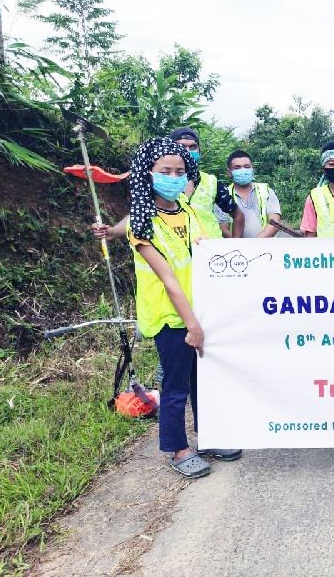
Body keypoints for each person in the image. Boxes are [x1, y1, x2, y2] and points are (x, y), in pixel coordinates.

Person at [127, 137, 241, 478]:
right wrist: (191, 325)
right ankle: (178, 448)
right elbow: (168, 279)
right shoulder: (141, 223)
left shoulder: (187, 212)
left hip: (198, 311)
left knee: (202, 381)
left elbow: (207, 256)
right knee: (176, 386)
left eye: (180, 172)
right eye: (165, 171)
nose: (174, 177)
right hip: (171, 317)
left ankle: (209, 437)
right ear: (147, 173)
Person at [91, 126, 244, 240]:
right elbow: (140, 213)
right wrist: (114, 231)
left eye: (193, 147)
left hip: (209, 259)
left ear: (199, 150)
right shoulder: (159, 184)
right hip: (174, 254)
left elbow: (237, 214)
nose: (187, 151)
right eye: (181, 146)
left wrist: (236, 246)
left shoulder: (211, 183)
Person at [214, 150, 281, 238]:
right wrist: (238, 244)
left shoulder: (266, 191)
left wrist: (255, 243)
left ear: (252, 169)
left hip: (265, 246)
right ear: (229, 172)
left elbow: (275, 223)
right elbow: (223, 228)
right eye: (237, 167)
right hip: (236, 246)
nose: (243, 170)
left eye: (247, 166)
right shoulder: (223, 196)